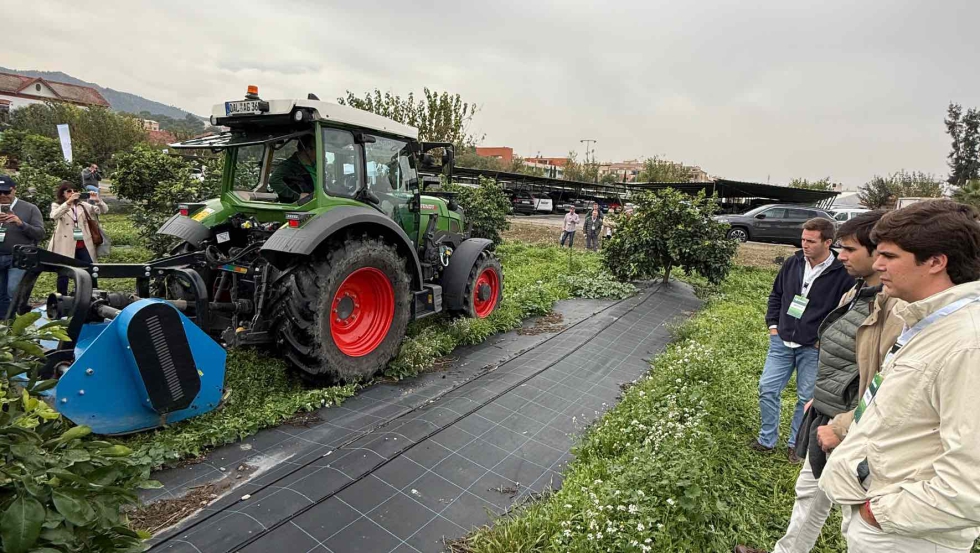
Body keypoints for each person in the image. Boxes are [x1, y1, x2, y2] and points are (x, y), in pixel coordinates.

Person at [734, 211, 903, 553]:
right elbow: (779, 297)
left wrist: (844, 423)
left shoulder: (893, 308)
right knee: (811, 492)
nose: (842, 256)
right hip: (826, 403)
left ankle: (790, 447)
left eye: (850, 249)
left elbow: (887, 378)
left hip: (850, 421)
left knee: (852, 513)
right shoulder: (856, 291)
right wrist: (774, 327)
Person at [819, 200, 980, 553]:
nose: (878, 264)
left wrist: (879, 514)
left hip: (906, 537)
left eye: (890, 256)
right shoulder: (927, 323)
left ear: (936, 262)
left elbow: (971, 482)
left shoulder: (968, 345)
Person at [753, 218, 855, 463]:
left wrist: (824, 338)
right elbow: (776, 294)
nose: (805, 245)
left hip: (813, 347)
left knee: (806, 398)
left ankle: (795, 445)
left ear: (828, 242)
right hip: (782, 340)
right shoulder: (794, 262)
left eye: (811, 241)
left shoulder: (842, 272)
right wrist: (773, 326)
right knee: (767, 388)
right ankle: (767, 440)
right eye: (803, 239)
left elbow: (846, 311)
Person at [49, 181, 107, 295]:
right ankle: (62, 297)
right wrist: (68, 202)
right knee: (63, 271)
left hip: (83, 242)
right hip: (65, 243)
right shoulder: (57, 205)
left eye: (74, 191)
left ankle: (91, 293)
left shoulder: (82, 205)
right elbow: (54, 215)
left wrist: (98, 200)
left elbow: (103, 210)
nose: (72, 193)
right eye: (69, 191)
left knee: (90, 268)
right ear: (62, 193)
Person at [0, 174, 44, 319]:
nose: (3, 195)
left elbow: (40, 233)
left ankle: (16, 322)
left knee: (13, 290)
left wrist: (20, 223)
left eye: (6, 191)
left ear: (14, 190)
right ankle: (4, 324)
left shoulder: (29, 208)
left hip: (19, 256)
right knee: (1, 295)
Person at [269, 134, 316, 203]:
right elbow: (274, 180)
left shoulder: (317, 165)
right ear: (308, 149)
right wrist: (297, 196)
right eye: (317, 148)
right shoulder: (289, 165)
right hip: (304, 206)